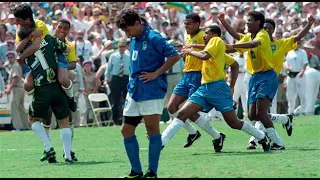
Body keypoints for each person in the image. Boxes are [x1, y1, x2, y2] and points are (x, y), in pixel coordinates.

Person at [162, 25, 271, 156]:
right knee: (182, 113)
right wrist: (231, 85)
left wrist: (190, 51)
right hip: (205, 88)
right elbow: (234, 65)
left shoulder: (216, 41)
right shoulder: (216, 48)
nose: (203, 35)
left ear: (214, 34)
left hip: (218, 88)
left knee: (234, 123)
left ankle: (262, 137)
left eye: (206, 33)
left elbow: (204, 56)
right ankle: (161, 142)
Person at [115, 8, 181, 178]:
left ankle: (152, 172)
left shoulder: (154, 37)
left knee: (152, 130)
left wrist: (156, 74)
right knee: (126, 130)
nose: (127, 34)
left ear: (137, 23)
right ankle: (136, 171)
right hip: (134, 89)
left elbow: (174, 55)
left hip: (151, 90)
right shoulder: (136, 36)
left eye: (128, 29)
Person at [222, 11, 283, 150]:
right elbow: (238, 37)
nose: (247, 23)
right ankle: (282, 119)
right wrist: (224, 23)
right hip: (255, 77)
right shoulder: (249, 35)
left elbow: (253, 44)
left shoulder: (263, 35)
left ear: (258, 23)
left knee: (261, 112)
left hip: (267, 76)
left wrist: (234, 46)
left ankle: (277, 142)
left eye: (250, 20)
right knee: (252, 115)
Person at [16, 24, 73, 163]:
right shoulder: (49, 38)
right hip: (57, 87)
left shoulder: (24, 49)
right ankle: (68, 156)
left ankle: (48, 148)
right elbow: (67, 48)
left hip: (42, 89)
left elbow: (19, 51)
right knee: (64, 123)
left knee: (33, 120)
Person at [105, 37, 130, 125]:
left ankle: (126, 120)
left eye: (123, 46)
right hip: (115, 79)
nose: (121, 48)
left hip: (125, 79)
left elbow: (132, 69)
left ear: (126, 47)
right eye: (120, 46)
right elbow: (108, 69)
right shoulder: (113, 56)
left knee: (127, 101)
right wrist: (106, 79)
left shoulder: (129, 56)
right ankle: (116, 121)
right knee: (115, 102)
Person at [3, 51, 30, 131]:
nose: (10, 59)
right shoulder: (14, 65)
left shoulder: (14, 66)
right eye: (8, 58)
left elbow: (15, 77)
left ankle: (18, 127)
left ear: (14, 58)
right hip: (20, 89)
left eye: (11, 57)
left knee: (14, 108)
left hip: (16, 89)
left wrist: (9, 88)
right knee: (21, 108)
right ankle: (26, 126)